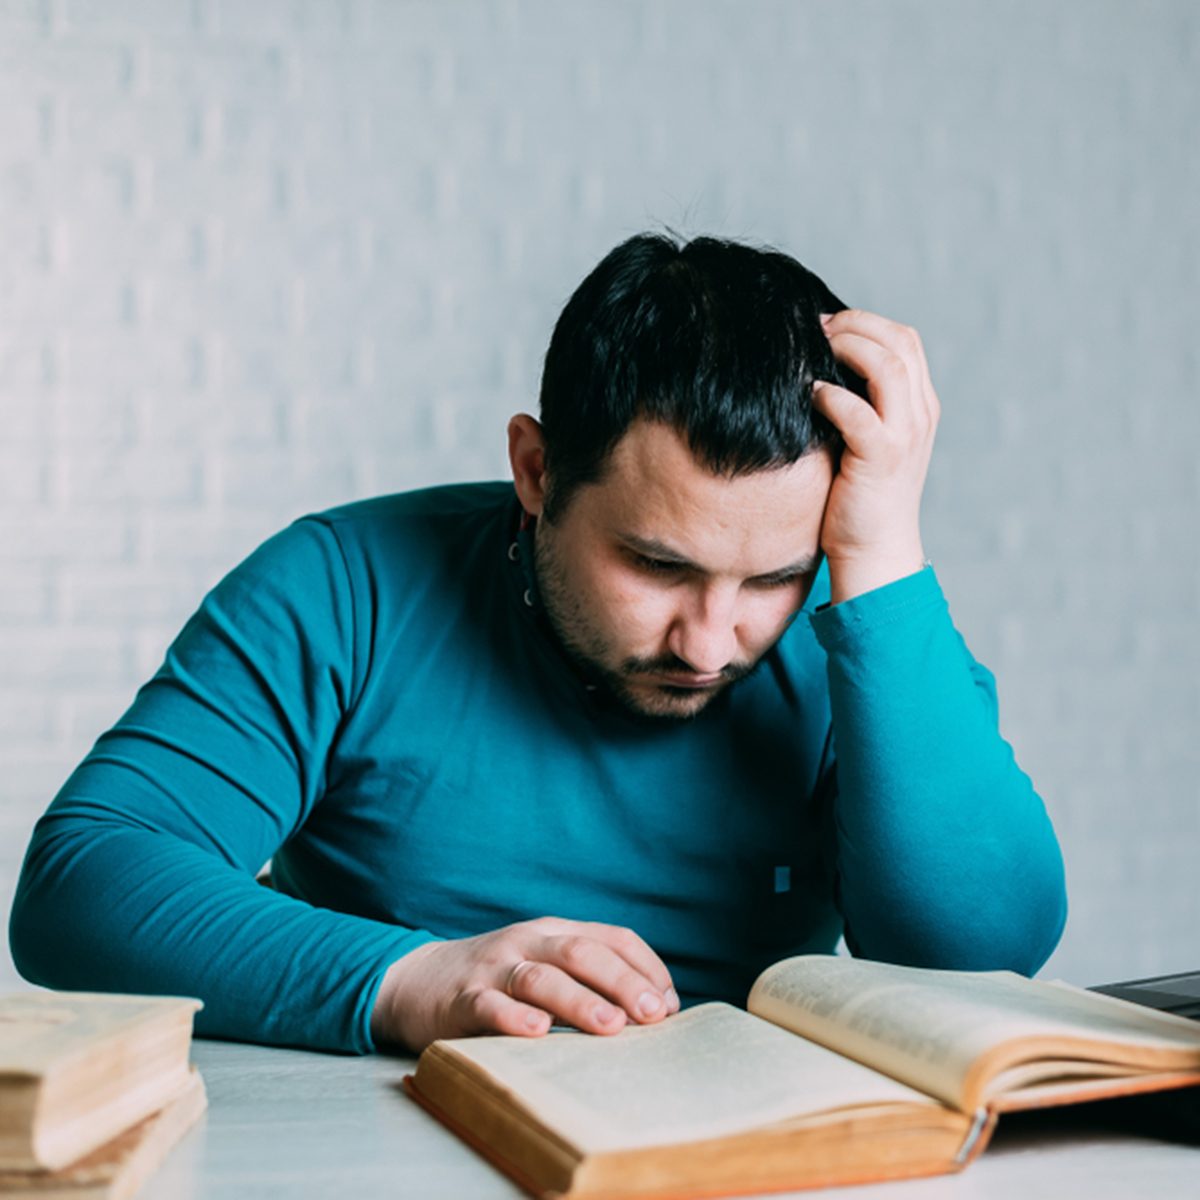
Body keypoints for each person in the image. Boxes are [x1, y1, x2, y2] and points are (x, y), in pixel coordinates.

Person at [9, 234, 1066, 1056]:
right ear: (536, 470)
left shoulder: (856, 632)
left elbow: (981, 953)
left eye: (774, 578)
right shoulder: (343, 584)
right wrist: (416, 982)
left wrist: (881, 556)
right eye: (657, 565)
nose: (710, 640)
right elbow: (84, 883)